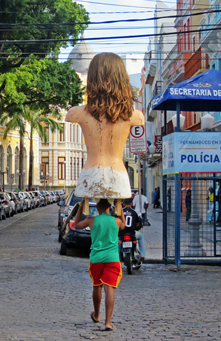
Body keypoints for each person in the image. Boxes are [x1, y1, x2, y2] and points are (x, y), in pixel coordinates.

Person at [66, 53, 145, 200]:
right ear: (121, 78)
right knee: (117, 221)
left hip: (90, 175)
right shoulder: (136, 115)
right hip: (119, 176)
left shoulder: (76, 113)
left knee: (88, 217)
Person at [74, 198, 125, 331]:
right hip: (112, 258)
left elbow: (76, 225)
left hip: (96, 259)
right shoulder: (117, 221)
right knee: (110, 289)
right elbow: (124, 224)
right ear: (110, 207)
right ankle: (108, 322)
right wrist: (119, 207)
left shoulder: (91, 220)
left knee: (97, 286)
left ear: (97, 207)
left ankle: (97, 315)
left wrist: (80, 207)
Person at [120, 197, 145, 263]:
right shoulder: (135, 212)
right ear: (131, 203)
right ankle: (142, 255)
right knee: (141, 237)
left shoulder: (120, 211)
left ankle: (117, 256)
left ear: (124, 203)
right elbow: (138, 223)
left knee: (118, 241)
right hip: (132, 233)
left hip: (122, 233)